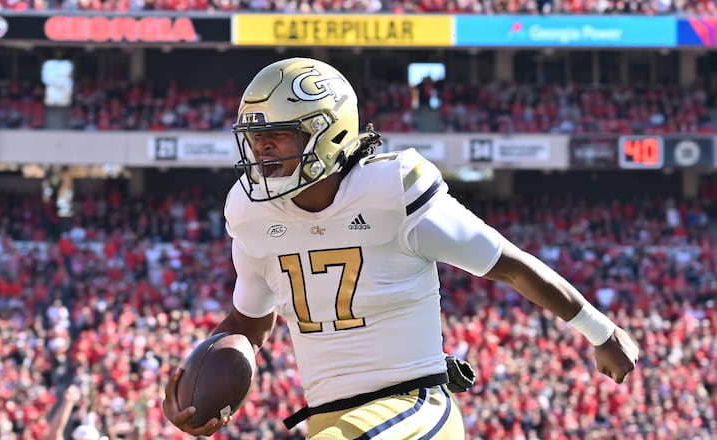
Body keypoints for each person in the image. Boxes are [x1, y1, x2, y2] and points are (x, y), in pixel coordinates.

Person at [163, 57, 640, 439]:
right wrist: (196, 389)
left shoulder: (392, 189)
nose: (262, 151)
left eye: (277, 137)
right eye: (255, 139)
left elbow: (510, 266)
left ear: (327, 133)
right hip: (330, 420)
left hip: (414, 407)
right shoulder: (250, 211)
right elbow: (248, 323)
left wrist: (601, 331)